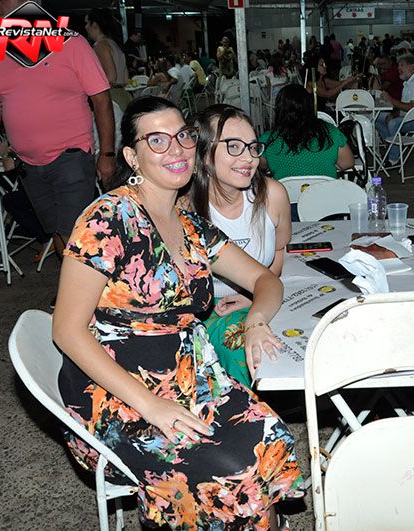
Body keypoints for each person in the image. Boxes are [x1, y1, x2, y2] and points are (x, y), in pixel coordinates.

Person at [53, 96, 303, 529]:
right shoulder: (108, 219)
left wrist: (256, 319)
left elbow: (267, 279)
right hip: (118, 396)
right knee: (231, 473)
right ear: (132, 156)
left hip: (191, 381)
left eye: (183, 136)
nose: (177, 149)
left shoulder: (191, 227)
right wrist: (151, 406)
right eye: (157, 140)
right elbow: (67, 331)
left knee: (270, 437)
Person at [0, 0, 115, 300]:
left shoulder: (70, 43)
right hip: (27, 164)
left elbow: (101, 98)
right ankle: (85, 292)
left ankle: (84, 299)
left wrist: (107, 154)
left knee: (73, 233)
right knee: (57, 232)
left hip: (72, 155)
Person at [186, 104, 292, 386]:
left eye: (253, 147)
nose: (249, 158)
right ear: (203, 153)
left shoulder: (272, 195)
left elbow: (278, 252)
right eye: (233, 146)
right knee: (246, 352)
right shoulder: (185, 209)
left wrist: (253, 296)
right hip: (206, 310)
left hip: (263, 297)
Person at [260, 84, 355, 181]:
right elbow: (348, 163)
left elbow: (262, 165)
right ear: (310, 106)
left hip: (286, 190)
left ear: (279, 109)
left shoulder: (268, 139)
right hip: (325, 190)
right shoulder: (330, 132)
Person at [375, 53, 414, 165]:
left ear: (411, 66)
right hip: (407, 116)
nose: (399, 68)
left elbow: (412, 107)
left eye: (401, 65)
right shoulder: (407, 82)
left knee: (393, 123)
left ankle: (394, 159)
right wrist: (394, 114)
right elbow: (403, 105)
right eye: (398, 66)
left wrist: (391, 100)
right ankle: (393, 147)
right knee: (377, 117)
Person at [85, 8, 131, 111]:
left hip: (111, 98)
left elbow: (111, 77)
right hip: (124, 96)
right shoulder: (115, 44)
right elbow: (125, 78)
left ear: (94, 25)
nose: (86, 27)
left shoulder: (100, 46)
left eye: (87, 23)